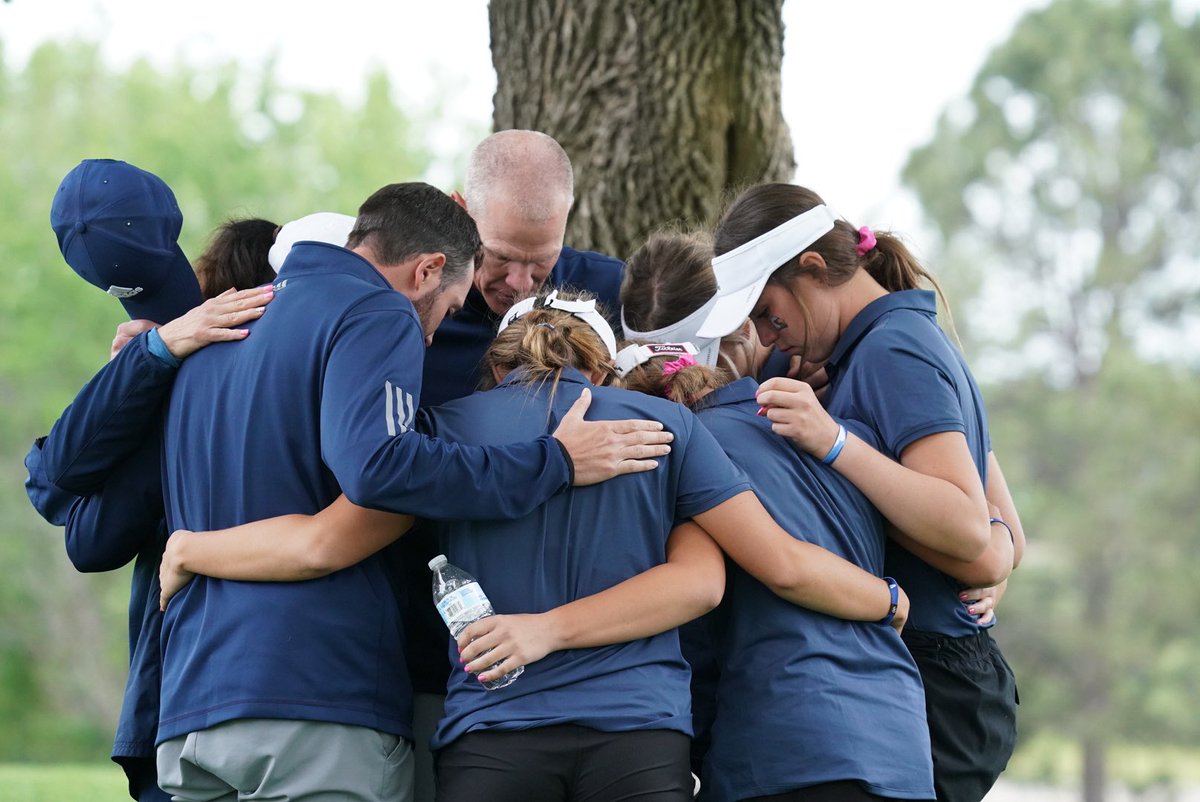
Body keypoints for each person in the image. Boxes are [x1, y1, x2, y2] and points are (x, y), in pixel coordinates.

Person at [155, 288, 906, 802]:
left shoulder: (445, 433)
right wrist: (889, 599)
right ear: (604, 362)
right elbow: (720, 581)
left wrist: (193, 549)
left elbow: (322, 545)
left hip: (494, 740)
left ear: (498, 358)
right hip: (639, 740)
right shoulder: (666, 429)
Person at [153, 183, 672, 802]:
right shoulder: (379, 315)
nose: (429, 340)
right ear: (426, 269)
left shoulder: (207, 341)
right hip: (312, 695)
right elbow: (364, 488)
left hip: (190, 699)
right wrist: (553, 460)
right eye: (449, 309)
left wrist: (187, 548)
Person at [699, 183, 1025, 802]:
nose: (769, 337)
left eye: (771, 313)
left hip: (936, 668)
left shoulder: (891, 352)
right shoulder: (881, 345)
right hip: (943, 667)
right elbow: (1002, 526)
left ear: (814, 269)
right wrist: (1000, 548)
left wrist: (833, 444)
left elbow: (966, 527)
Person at [618, 231, 935, 802]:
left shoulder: (677, 452)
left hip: (781, 749)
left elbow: (704, 622)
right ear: (738, 329)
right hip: (899, 744)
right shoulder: (844, 434)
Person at [23, 159, 276, 802]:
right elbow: (59, 488)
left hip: (203, 684)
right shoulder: (156, 356)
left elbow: (80, 527)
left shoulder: (208, 384)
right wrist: (150, 359)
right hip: (192, 691)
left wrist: (153, 362)